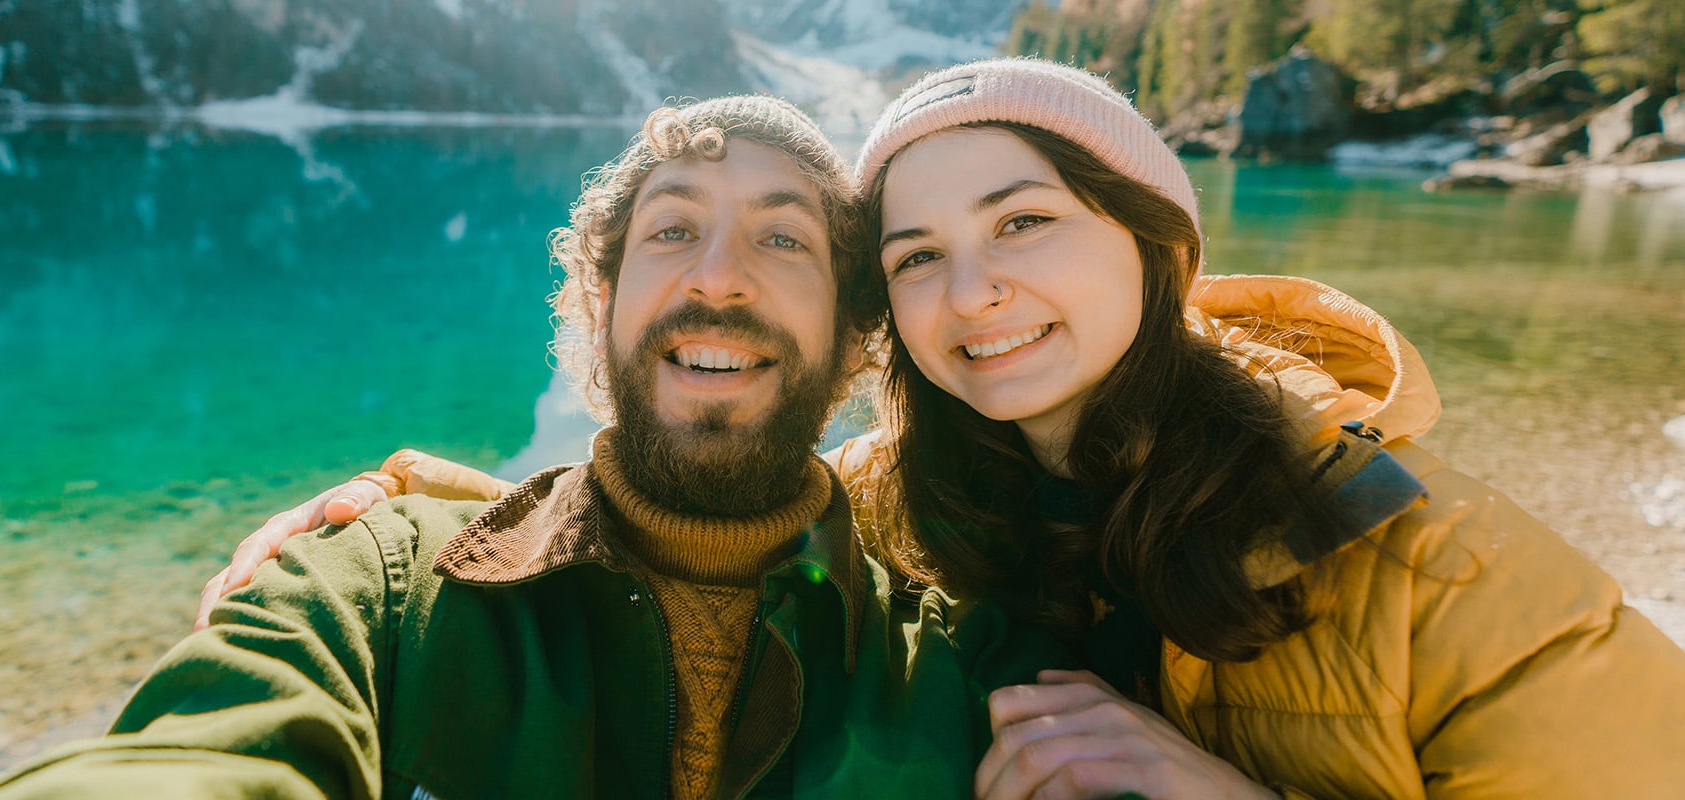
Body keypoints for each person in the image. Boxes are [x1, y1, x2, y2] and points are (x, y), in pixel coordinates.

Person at [221, 59, 1685, 798]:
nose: (974, 294)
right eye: (917, 255)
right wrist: (402, 520)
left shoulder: (1429, 556)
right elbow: (689, 528)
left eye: (1026, 223)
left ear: (1157, 250)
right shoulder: (907, 505)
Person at [0, 95, 1065, 799]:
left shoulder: (970, 668)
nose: (718, 277)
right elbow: (200, 756)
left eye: (782, 238)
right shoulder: (383, 586)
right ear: (601, 304)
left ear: (853, 334)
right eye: (672, 230)